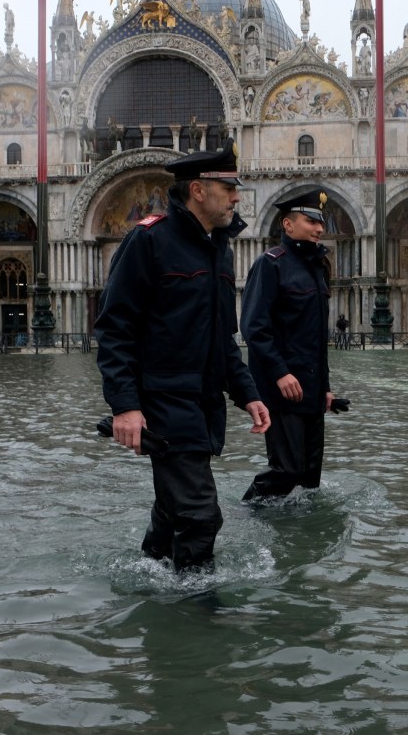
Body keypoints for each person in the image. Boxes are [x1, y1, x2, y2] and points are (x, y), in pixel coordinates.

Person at [95, 138, 270, 572]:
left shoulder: (219, 249)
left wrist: (247, 394)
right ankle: (199, 617)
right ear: (198, 189)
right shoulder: (148, 240)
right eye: (229, 187)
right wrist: (125, 406)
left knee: (173, 511)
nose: (236, 196)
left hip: (204, 403)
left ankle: (149, 573)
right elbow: (114, 329)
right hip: (164, 402)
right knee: (200, 516)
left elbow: (222, 337)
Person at [240, 190, 337, 501]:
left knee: (310, 477)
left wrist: (325, 387)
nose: (319, 229)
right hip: (281, 390)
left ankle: (303, 537)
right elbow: (254, 328)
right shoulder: (271, 265)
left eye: (320, 223)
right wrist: (280, 373)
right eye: (310, 221)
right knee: (287, 470)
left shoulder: (317, 267)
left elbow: (315, 340)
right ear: (288, 224)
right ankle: (249, 512)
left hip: (311, 389)